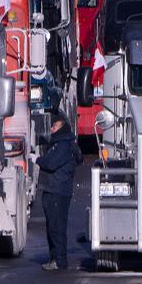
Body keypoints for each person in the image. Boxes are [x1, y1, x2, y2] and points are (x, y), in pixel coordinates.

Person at [36, 113, 82, 271]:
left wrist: (37, 159)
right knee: (53, 226)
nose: (51, 129)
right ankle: (55, 258)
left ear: (62, 128)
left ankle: (59, 260)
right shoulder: (62, 144)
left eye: (54, 126)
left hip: (57, 190)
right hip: (55, 189)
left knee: (57, 227)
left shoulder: (63, 145)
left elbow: (50, 163)